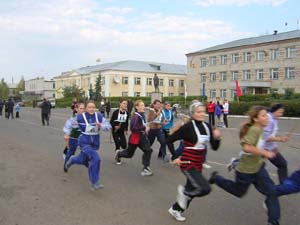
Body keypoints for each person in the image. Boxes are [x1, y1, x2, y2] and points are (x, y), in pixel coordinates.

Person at [208, 105, 280, 225]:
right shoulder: (255, 129)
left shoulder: (261, 129)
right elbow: (246, 147)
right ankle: (216, 178)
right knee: (239, 192)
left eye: (267, 115)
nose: (267, 117)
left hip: (258, 168)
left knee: (272, 192)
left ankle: (273, 222)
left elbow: (259, 145)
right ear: (256, 119)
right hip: (245, 170)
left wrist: (271, 149)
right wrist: (264, 152)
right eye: (263, 115)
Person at [167, 101, 221, 222]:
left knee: (193, 188)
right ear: (192, 113)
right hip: (187, 163)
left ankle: (176, 209)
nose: (202, 114)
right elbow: (169, 140)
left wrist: (217, 138)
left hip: (198, 164)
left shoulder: (207, 126)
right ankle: (184, 193)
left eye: (203, 111)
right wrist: (175, 157)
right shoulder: (188, 127)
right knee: (204, 188)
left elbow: (215, 147)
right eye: (198, 112)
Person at [64, 100, 111, 190]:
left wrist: (102, 125)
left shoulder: (99, 116)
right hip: (84, 141)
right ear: (86, 108)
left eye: (93, 107)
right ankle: (95, 182)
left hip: (95, 142)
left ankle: (72, 160)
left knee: (81, 159)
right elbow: (69, 124)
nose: (91, 109)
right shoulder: (80, 117)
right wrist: (67, 133)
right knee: (96, 159)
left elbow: (109, 126)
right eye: (89, 107)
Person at [114, 100, 153, 176]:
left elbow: (142, 125)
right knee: (129, 154)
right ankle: (119, 154)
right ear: (137, 107)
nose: (143, 107)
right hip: (135, 138)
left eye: (143, 105)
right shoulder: (136, 116)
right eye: (141, 105)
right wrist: (144, 128)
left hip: (142, 138)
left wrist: (146, 127)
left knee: (148, 150)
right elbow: (133, 128)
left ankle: (146, 168)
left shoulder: (142, 115)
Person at [264, 103, 289, 184]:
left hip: (270, 147)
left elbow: (272, 134)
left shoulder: (274, 119)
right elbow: (266, 137)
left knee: (282, 164)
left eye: (282, 113)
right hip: (263, 148)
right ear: (274, 111)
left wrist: (279, 138)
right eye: (279, 112)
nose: (281, 115)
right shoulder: (269, 119)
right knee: (255, 168)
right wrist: (280, 139)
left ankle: (283, 185)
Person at [63, 103, 85, 172]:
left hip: (84, 138)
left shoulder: (87, 118)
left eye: (84, 108)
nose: (82, 110)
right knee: (71, 152)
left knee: (87, 151)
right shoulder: (73, 119)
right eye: (81, 108)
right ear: (76, 109)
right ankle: (66, 164)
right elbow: (67, 126)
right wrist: (67, 134)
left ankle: (87, 163)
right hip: (74, 138)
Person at [110, 99, 129, 165]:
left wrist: (126, 129)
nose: (125, 105)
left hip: (121, 131)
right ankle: (118, 158)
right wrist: (114, 126)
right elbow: (111, 121)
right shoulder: (116, 112)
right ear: (120, 104)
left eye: (126, 104)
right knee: (117, 144)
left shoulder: (127, 113)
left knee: (124, 146)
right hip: (115, 131)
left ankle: (118, 153)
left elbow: (126, 122)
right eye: (124, 103)